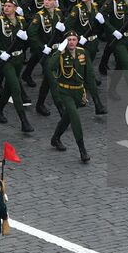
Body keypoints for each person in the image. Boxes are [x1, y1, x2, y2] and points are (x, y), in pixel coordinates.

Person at [47, 31, 93, 163]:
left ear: (77, 41)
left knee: (67, 116)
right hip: (65, 92)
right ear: (65, 42)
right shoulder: (61, 53)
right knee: (74, 117)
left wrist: (89, 93)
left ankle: (55, 138)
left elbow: (89, 73)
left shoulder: (82, 52)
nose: (71, 42)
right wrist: (59, 52)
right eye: (69, 40)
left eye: (74, 39)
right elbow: (50, 66)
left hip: (78, 92)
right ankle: (82, 150)